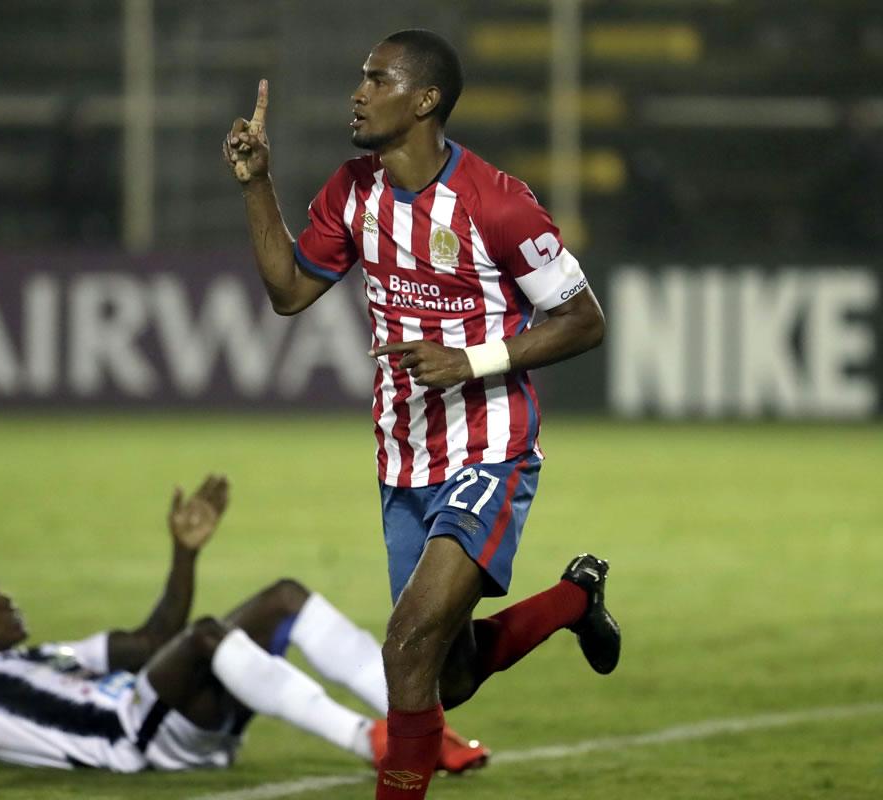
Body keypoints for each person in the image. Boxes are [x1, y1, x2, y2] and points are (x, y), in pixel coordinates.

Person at [223, 29, 620, 799]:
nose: (358, 93)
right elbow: (288, 292)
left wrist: (472, 360)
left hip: (490, 448)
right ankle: (576, 598)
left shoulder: (498, 204)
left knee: (404, 646)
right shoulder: (352, 190)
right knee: (450, 677)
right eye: (361, 79)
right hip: (403, 454)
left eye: (376, 79)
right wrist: (255, 185)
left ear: (425, 99)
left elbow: (584, 320)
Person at [0, 475, 487, 775]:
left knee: (282, 596)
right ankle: (376, 743)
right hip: (127, 741)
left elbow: (154, 642)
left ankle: (416, 716)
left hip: (164, 717)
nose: (6, 602)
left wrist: (183, 553)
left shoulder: (50, 655)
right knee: (208, 637)